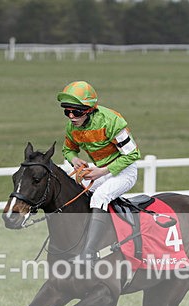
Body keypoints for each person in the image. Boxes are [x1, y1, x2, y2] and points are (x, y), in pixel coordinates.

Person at [57, 81, 140, 263]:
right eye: (67, 111)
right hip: (100, 171)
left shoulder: (112, 121)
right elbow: (68, 150)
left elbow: (133, 154)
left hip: (125, 171)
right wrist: (74, 159)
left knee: (99, 197)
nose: (71, 117)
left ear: (88, 110)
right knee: (76, 193)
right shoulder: (73, 127)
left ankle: (90, 253)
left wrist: (101, 172)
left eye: (76, 112)